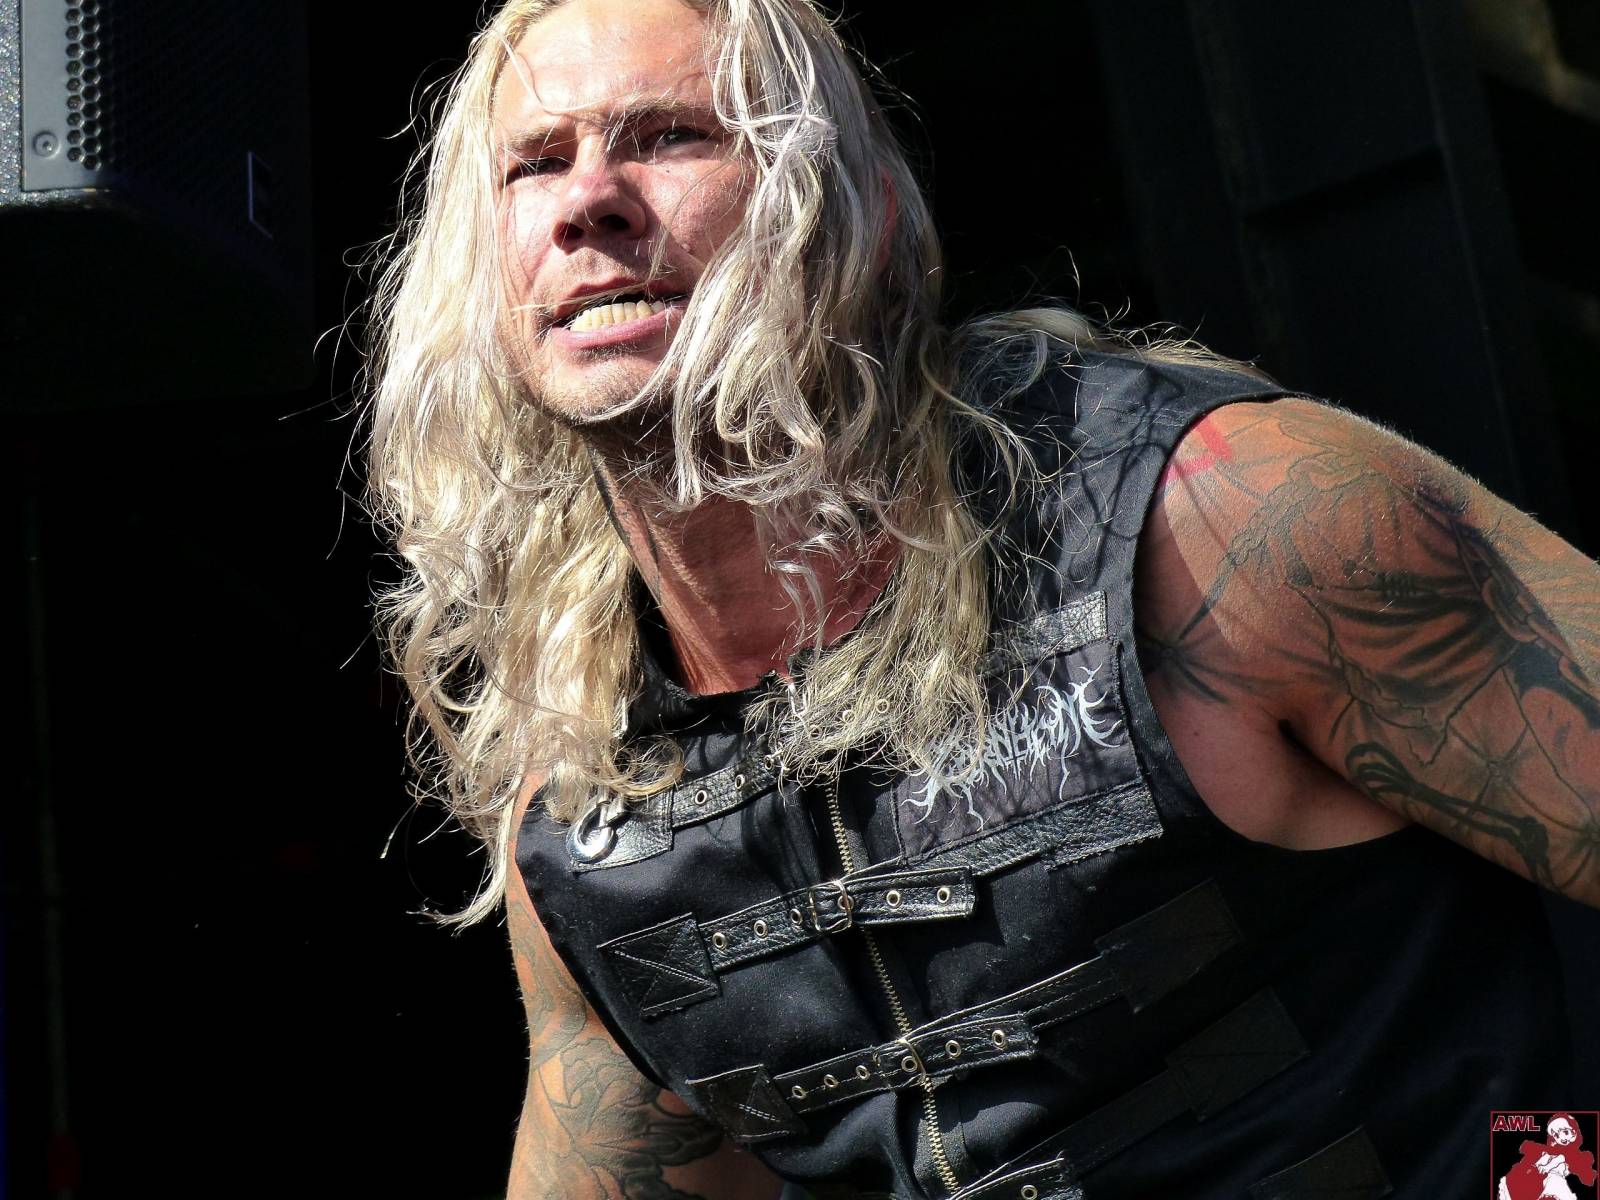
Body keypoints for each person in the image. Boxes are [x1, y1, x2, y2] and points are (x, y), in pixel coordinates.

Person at [362, 0, 1600, 1196]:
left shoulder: (1223, 525)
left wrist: (1551, 1178)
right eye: (535, 163)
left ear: (856, 208)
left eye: (670, 136)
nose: (588, 201)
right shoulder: (597, 806)